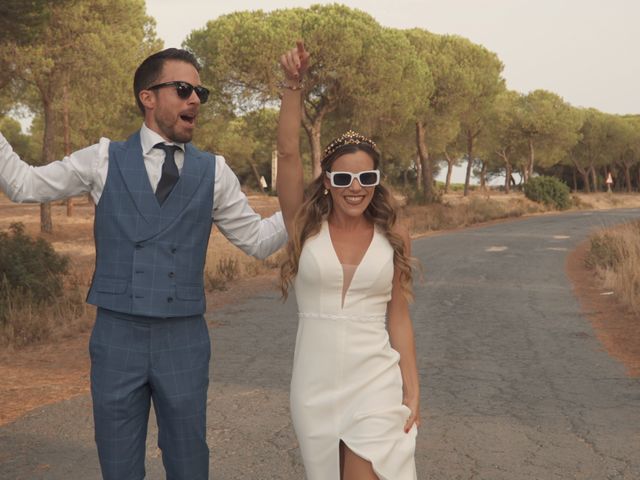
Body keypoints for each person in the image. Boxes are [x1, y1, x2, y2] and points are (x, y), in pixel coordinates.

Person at [0, 48, 287, 480]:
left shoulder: (216, 172)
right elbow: (22, 185)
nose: (195, 100)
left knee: (190, 464)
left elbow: (260, 242)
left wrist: (310, 203)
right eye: (183, 89)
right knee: (118, 466)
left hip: (184, 338)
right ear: (147, 97)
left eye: (199, 92)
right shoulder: (101, 159)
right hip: (116, 337)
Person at [276, 43, 420, 480]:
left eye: (366, 178)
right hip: (313, 384)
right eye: (342, 177)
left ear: (377, 181)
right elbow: (286, 155)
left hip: (375, 381)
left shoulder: (393, 236)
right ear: (327, 182)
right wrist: (292, 86)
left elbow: (398, 318)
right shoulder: (304, 226)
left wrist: (413, 390)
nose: (355, 187)